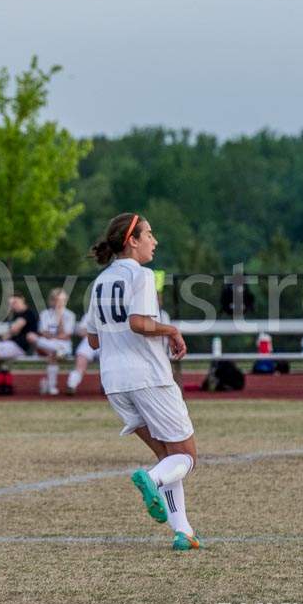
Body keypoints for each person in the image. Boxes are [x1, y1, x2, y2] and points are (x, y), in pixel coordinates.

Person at [85, 212, 199, 551]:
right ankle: (150, 479)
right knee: (187, 457)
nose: (155, 240)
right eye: (149, 234)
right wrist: (171, 329)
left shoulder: (100, 282)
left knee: (168, 456)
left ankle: (184, 533)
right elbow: (138, 322)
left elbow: (93, 340)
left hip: (114, 381)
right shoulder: (142, 275)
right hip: (148, 376)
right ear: (132, 240)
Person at [34, 288, 75, 396]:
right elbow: (43, 333)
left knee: (53, 353)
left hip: (63, 345)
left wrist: (59, 317)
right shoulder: (45, 314)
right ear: (51, 301)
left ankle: (50, 385)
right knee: (34, 338)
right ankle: (51, 386)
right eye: (57, 300)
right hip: (49, 344)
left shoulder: (70, 315)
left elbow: (67, 335)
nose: (59, 303)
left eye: (62, 300)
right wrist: (55, 336)